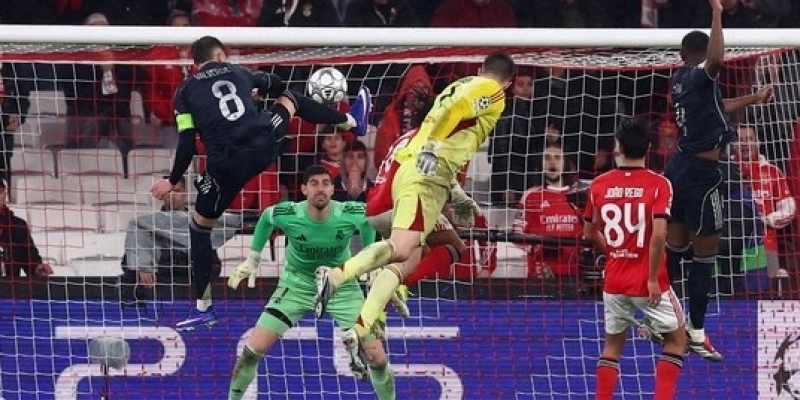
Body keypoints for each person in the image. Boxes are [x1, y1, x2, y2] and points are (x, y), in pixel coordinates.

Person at [151, 35, 372, 332]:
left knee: (199, 227)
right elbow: (276, 83)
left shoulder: (184, 92)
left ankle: (203, 308)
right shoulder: (239, 72)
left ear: (195, 64)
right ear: (220, 56)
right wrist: (255, 92)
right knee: (291, 99)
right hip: (262, 147)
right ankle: (351, 122)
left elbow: (188, 142)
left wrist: (172, 180)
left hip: (225, 166)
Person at [314, 52, 514, 345]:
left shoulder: (456, 86)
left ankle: (362, 328)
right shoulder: (492, 91)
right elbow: (455, 112)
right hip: (423, 178)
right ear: (508, 83)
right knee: (403, 248)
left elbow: (448, 122)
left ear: (481, 67)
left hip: (407, 178)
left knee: (417, 252)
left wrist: (458, 195)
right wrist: (433, 147)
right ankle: (338, 277)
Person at [226, 165, 395, 400]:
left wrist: (370, 260)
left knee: (377, 358)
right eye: (314, 184)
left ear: (333, 189)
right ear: (304, 189)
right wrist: (253, 258)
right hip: (296, 286)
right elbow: (266, 218)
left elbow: (367, 221)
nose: (320, 189)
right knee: (251, 353)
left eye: (325, 183)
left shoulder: (349, 212)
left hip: (341, 287)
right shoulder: (289, 213)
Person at [664, 0, 772, 361]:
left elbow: (718, 106)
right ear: (698, 56)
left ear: (682, 55)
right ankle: (695, 329)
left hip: (679, 168)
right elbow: (716, 61)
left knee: (676, 246)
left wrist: (754, 98)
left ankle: (659, 318)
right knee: (705, 253)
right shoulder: (699, 74)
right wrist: (717, 13)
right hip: (702, 174)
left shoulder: (680, 80)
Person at [583, 119, 685, 400]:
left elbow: (589, 233)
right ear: (649, 147)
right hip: (648, 282)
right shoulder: (659, 184)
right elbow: (659, 234)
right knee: (677, 341)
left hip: (614, 279)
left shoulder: (599, 184)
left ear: (619, 148)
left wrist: (615, 252)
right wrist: (651, 278)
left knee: (612, 347)